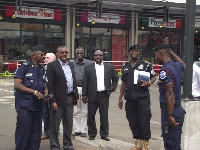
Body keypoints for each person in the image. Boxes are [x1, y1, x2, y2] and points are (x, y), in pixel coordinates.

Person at [118, 44, 156, 150]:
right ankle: (138, 144)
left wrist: (149, 83)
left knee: (144, 120)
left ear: (139, 53)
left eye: (136, 51)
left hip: (142, 98)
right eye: (132, 51)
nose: (134, 53)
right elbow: (123, 83)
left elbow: (154, 77)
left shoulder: (146, 65)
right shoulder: (125, 66)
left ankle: (145, 145)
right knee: (132, 121)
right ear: (129, 53)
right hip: (130, 99)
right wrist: (120, 98)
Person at [154, 38, 186, 150]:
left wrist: (170, 115)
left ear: (162, 55)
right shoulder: (176, 66)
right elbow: (183, 64)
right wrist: (170, 51)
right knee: (174, 142)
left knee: (171, 144)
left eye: (156, 55)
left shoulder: (165, 70)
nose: (155, 57)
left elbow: (170, 93)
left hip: (171, 111)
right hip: (177, 110)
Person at [14, 44, 48, 150]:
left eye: (44, 55)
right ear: (34, 55)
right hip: (26, 106)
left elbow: (45, 85)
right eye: (41, 54)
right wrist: (34, 92)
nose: (43, 57)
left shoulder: (43, 69)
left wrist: (46, 94)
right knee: (24, 133)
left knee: (36, 134)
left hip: (38, 107)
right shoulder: (24, 67)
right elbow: (17, 85)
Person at [82, 50, 119, 141]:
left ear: (103, 56)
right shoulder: (88, 67)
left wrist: (111, 89)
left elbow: (115, 78)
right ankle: (92, 133)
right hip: (92, 94)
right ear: (93, 57)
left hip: (104, 94)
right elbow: (85, 81)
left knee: (104, 115)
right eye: (96, 55)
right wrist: (84, 94)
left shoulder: (109, 67)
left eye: (100, 55)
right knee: (91, 115)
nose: (98, 57)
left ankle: (104, 134)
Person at [46, 46, 79, 150]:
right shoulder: (52, 65)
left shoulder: (70, 64)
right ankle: (55, 146)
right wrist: (53, 101)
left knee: (68, 124)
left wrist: (76, 96)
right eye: (61, 52)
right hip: (58, 100)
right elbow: (50, 85)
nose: (64, 54)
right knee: (55, 125)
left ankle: (68, 144)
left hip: (69, 98)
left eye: (66, 52)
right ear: (57, 54)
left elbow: (73, 81)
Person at [72, 47, 92, 137]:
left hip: (85, 89)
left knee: (85, 111)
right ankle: (77, 129)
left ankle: (83, 130)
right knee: (76, 111)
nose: (79, 54)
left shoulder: (89, 63)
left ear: (84, 53)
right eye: (78, 53)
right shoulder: (71, 63)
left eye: (81, 53)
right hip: (75, 89)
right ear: (75, 54)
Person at [15, 49, 32, 143]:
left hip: (29, 103)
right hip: (21, 102)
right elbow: (16, 89)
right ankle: (18, 144)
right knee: (20, 125)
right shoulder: (21, 69)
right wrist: (17, 105)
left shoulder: (34, 68)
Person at [41, 53, 56, 140]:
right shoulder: (42, 69)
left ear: (54, 59)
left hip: (53, 95)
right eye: (45, 58)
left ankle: (55, 133)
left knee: (53, 115)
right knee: (45, 115)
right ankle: (47, 132)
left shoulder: (56, 68)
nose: (45, 59)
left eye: (47, 58)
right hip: (44, 95)